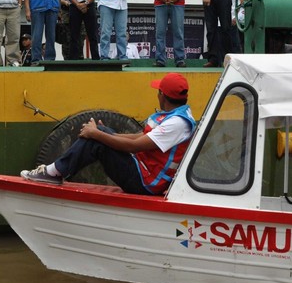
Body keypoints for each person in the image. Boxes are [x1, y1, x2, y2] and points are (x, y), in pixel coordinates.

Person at [21, 73, 196, 195]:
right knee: (101, 134)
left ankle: (53, 173)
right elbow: (140, 138)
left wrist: (97, 135)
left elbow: (135, 146)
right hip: (143, 169)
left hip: (146, 183)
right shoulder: (173, 116)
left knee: (96, 140)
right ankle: (58, 171)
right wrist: (103, 133)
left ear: (162, 95)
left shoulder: (177, 124)